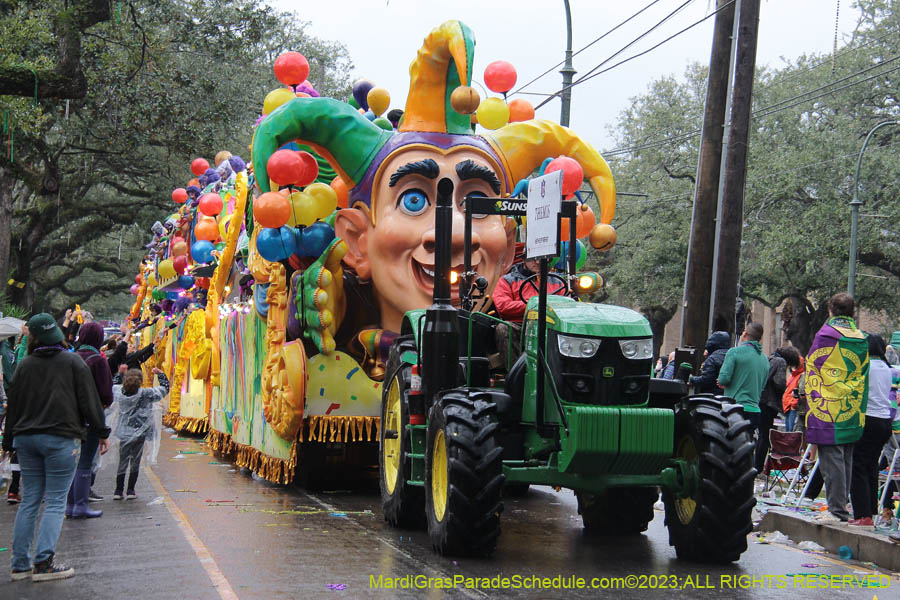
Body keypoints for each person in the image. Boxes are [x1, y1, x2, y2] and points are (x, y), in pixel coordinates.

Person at [3, 313, 110, 581]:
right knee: (54, 502)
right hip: (61, 437)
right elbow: (89, 401)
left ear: (33, 337)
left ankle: (19, 564)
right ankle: (43, 563)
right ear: (58, 336)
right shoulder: (73, 362)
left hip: (26, 439)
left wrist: (7, 444)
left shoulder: (25, 365)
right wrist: (102, 432)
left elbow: (13, 406)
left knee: (30, 500)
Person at [804, 292, 869, 523]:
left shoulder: (826, 334)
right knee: (846, 460)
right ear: (853, 312)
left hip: (829, 408)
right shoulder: (861, 337)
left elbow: (814, 367)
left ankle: (837, 510)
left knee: (832, 462)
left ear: (831, 310)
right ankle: (841, 506)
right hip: (850, 407)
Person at [66, 322, 114, 518]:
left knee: (71, 462)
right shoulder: (98, 360)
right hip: (92, 417)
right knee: (85, 462)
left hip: (69, 417)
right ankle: (81, 505)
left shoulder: (71, 358)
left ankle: (69, 505)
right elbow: (105, 393)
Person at [848, 334, 894, 526]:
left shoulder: (866, 367)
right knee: (871, 466)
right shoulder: (888, 368)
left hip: (869, 419)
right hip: (885, 423)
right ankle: (871, 512)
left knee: (857, 466)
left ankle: (862, 515)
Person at [112, 367, 168, 500]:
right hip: (140, 433)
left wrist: (119, 373)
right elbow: (164, 389)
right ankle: (131, 490)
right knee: (135, 461)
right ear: (141, 382)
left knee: (123, 461)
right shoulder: (146, 394)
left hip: (124, 433)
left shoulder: (119, 393)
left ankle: (118, 491)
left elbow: (113, 385)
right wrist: (161, 375)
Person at [717, 322, 770, 433]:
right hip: (755, 411)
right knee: (747, 447)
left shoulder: (734, 352)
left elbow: (723, 379)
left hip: (735, 410)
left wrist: (725, 383)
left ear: (744, 333)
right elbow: (762, 386)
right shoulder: (765, 359)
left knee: (732, 447)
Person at [756, 346, 802, 472]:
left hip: (761, 400)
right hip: (769, 403)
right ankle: (759, 467)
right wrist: (787, 388)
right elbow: (779, 381)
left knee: (761, 435)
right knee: (766, 437)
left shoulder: (770, 358)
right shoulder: (781, 362)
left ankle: (757, 465)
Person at [493, 258, 567, 323]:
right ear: (524, 259)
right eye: (533, 258)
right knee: (503, 328)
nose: (538, 262)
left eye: (541, 258)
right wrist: (534, 304)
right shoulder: (507, 280)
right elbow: (503, 307)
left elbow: (566, 306)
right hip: (519, 324)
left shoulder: (558, 282)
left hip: (550, 325)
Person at [782, 355, 806, 432]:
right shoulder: (792, 375)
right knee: (788, 431)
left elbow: (799, 391)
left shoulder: (800, 375)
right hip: (788, 406)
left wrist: (794, 404)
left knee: (791, 432)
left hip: (792, 406)